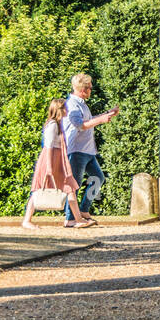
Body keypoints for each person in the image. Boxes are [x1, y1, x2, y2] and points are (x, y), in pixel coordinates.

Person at [22, 99, 94, 229]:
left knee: (69, 188)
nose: (67, 110)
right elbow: (48, 147)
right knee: (39, 189)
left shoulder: (58, 125)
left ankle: (77, 219)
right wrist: (49, 167)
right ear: (59, 110)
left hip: (58, 159)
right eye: (65, 108)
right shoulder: (53, 125)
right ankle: (27, 220)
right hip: (51, 160)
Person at [63, 73, 120, 225]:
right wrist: (101, 120)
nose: (91, 90)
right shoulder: (72, 104)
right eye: (89, 88)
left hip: (87, 150)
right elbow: (80, 125)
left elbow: (88, 120)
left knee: (98, 178)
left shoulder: (81, 103)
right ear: (82, 89)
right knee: (74, 184)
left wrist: (108, 114)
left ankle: (83, 210)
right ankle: (70, 218)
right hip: (76, 150)